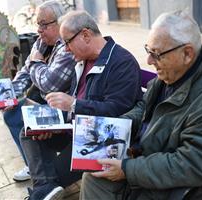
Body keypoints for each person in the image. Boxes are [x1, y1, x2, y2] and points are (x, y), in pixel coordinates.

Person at [80, 10, 202, 200]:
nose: (149, 61)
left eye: (156, 54)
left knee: (97, 179)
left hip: (185, 189)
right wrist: (116, 126)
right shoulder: (172, 73)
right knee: (93, 176)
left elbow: (195, 164)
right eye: (148, 50)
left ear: (187, 53)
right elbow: (144, 109)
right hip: (153, 159)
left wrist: (128, 169)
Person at [20, 10, 143, 200]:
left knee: (48, 174)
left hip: (96, 138)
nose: (66, 49)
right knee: (28, 133)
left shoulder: (122, 62)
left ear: (85, 35)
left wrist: (74, 105)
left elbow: (117, 112)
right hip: (74, 129)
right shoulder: (82, 61)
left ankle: (42, 190)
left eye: (67, 42)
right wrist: (54, 124)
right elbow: (74, 102)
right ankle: (44, 188)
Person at [3, 0, 76, 182]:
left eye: (44, 24)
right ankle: (33, 165)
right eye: (38, 24)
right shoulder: (41, 42)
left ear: (60, 23)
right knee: (11, 110)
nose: (39, 30)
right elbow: (26, 72)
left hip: (64, 108)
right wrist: (8, 94)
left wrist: (37, 62)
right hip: (46, 100)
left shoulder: (67, 46)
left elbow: (49, 83)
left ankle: (41, 170)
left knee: (19, 116)